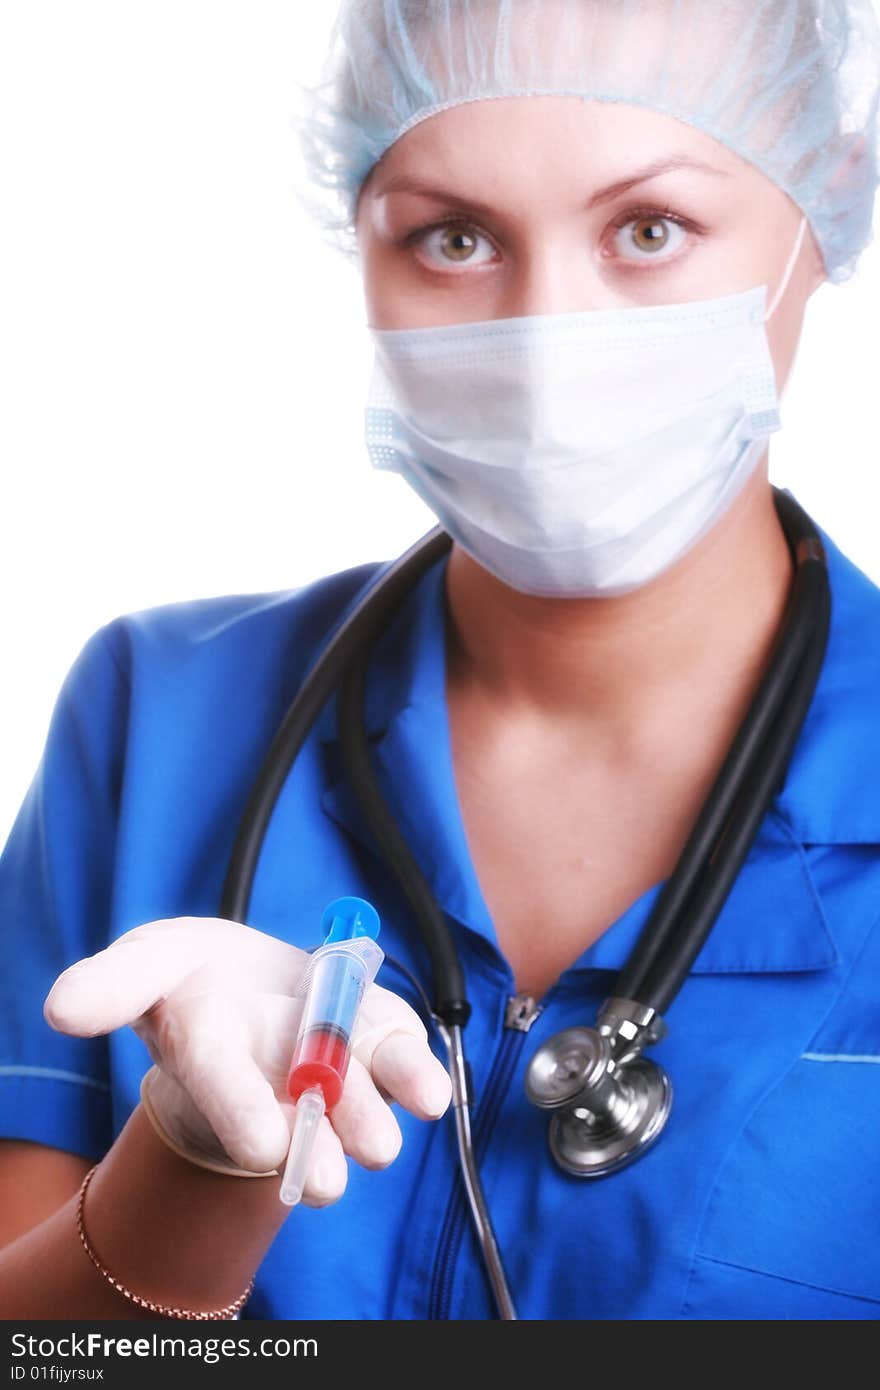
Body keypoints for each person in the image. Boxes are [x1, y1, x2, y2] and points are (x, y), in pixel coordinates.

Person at [1, 0, 880, 1321]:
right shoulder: (156, 716)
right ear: (364, 238)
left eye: (649, 230)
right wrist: (186, 1167)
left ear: (829, 204)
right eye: (453, 237)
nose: (546, 343)